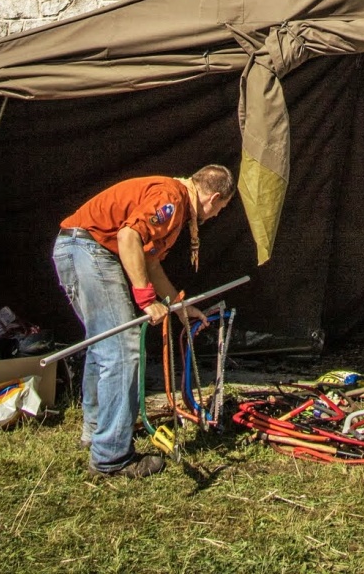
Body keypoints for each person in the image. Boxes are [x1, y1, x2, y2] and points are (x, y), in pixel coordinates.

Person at [52, 163, 235, 479]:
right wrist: (146, 300)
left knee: (104, 344)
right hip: (88, 249)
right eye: (221, 208)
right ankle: (111, 457)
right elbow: (128, 237)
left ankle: (97, 433)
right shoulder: (171, 199)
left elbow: (150, 263)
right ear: (214, 197)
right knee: (123, 351)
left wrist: (179, 306)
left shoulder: (175, 203)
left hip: (79, 246)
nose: (217, 215)